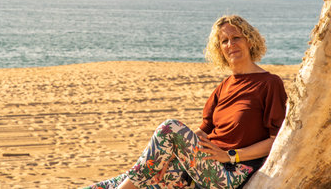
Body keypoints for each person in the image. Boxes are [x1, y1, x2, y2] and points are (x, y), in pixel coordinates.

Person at [85, 15, 287, 189]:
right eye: (224, 41)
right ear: (220, 50)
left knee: (169, 127)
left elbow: (277, 141)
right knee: (114, 183)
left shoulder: (269, 83)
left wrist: (230, 156)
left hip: (229, 175)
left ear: (249, 41)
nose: (230, 45)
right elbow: (202, 132)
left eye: (236, 38)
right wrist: (169, 152)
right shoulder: (224, 86)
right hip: (198, 167)